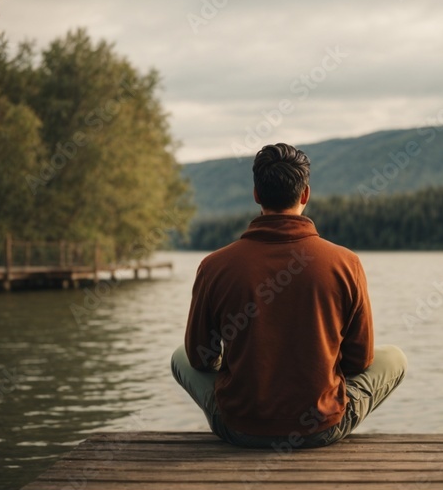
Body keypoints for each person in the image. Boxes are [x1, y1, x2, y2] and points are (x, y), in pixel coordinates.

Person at [171, 143, 407, 448]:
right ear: (305, 194)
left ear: (256, 195)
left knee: (180, 356)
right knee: (394, 358)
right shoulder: (346, 263)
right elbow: (359, 362)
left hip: (240, 428)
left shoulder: (214, 266)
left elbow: (199, 358)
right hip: (320, 428)